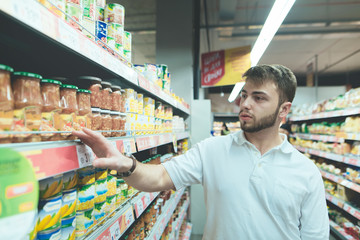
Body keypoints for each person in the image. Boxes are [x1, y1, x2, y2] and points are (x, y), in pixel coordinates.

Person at [73, 64, 329, 240]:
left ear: (284, 110)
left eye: (259, 98)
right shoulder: (213, 150)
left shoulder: (306, 172)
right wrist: (125, 163)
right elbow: (159, 177)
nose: (245, 104)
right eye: (244, 95)